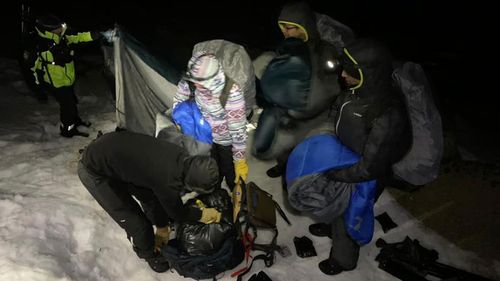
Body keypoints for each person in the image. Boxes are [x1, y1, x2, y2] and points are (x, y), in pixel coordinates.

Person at [309, 38, 411, 276]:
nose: (343, 74)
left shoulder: (387, 113)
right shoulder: (356, 92)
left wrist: (337, 174)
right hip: (344, 161)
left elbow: (370, 168)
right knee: (335, 203)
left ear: (370, 73)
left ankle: (344, 260)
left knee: (350, 214)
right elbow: (338, 117)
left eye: (350, 71)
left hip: (363, 175)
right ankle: (332, 227)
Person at [78, 131, 222, 273]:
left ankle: (157, 224)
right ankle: (149, 255)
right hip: (94, 169)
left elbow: (154, 194)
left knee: (150, 198)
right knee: (137, 224)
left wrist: (161, 225)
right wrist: (201, 215)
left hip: (117, 155)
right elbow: (177, 212)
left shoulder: (181, 156)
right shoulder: (167, 178)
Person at [257, 1, 344, 178]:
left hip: (311, 114)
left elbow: (331, 87)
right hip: (287, 110)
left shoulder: (324, 50)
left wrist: (307, 108)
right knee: (282, 144)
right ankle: (283, 165)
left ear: (304, 27)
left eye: (290, 28)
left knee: (302, 148)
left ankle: (296, 173)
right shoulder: (288, 48)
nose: (284, 32)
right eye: (282, 27)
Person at [173, 52, 249, 191]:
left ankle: (238, 199)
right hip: (204, 137)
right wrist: (182, 120)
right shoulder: (191, 81)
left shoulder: (231, 93)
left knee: (231, 174)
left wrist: (239, 161)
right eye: (194, 82)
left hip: (226, 141)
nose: (195, 86)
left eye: (200, 84)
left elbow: (238, 131)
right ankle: (216, 195)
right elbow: (178, 102)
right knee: (211, 174)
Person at [30, 13, 112, 138]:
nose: (61, 28)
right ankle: (67, 130)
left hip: (67, 79)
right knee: (67, 105)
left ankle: (75, 121)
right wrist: (38, 89)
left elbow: (79, 37)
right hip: (55, 83)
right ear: (48, 31)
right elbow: (32, 68)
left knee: (72, 101)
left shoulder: (62, 38)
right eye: (58, 27)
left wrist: (97, 34)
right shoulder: (41, 46)